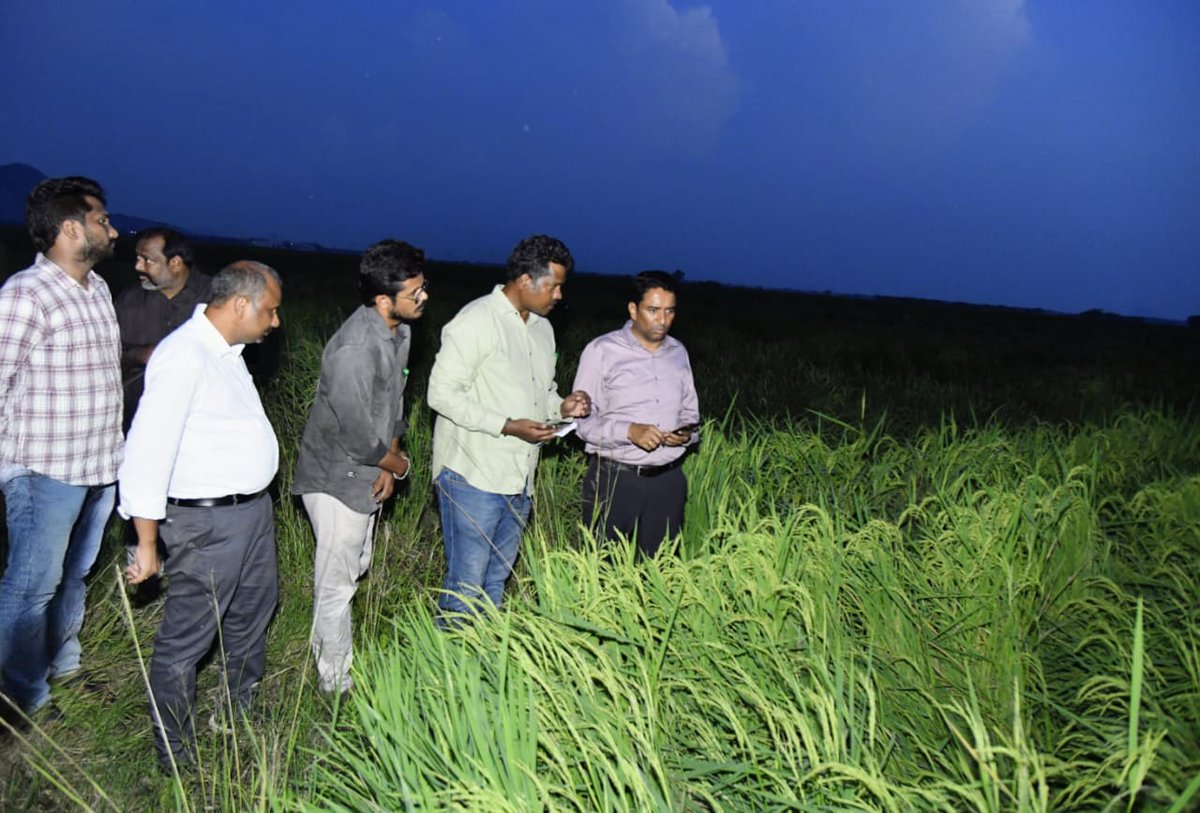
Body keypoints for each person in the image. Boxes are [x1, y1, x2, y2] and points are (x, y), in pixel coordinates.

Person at [120, 261, 282, 772]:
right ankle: (175, 753)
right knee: (187, 639)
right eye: (271, 311)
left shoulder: (226, 353)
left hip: (251, 514)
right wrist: (146, 542)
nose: (276, 321)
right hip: (207, 525)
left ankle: (236, 714)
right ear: (241, 305)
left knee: (252, 613)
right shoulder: (184, 355)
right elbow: (147, 450)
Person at [0, 177, 122, 720]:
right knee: (31, 588)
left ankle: (64, 666)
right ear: (71, 229)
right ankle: (23, 695)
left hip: (98, 465)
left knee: (73, 577)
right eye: (102, 221)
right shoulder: (25, 294)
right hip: (43, 470)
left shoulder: (98, 289)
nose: (112, 231)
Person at [427, 234, 591, 621]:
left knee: (495, 584)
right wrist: (507, 426)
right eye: (553, 286)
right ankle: (450, 655)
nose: (559, 295)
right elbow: (441, 394)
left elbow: (541, 394)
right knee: (466, 588)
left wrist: (562, 407)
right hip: (473, 475)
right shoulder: (476, 321)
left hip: (520, 479)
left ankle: (485, 655)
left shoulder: (542, 329)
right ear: (524, 280)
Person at [291, 239, 429, 694]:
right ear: (384, 300)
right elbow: (355, 438)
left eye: (423, 287)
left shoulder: (400, 332)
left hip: (369, 466)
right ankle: (334, 681)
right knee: (337, 581)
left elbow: (393, 406)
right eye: (414, 292)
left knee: (356, 563)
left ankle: (330, 655)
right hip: (335, 475)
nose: (424, 297)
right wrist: (399, 465)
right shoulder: (354, 349)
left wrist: (388, 463)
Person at [572, 271, 699, 558]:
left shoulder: (678, 352)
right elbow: (582, 423)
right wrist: (629, 431)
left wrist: (686, 435)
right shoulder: (602, 351)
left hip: (668, 481)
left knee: (661, 569)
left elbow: (691, 413)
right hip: (614, 478)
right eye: (653, 310)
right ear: (633, 309)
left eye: (669, 311)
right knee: (602, 565)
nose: (662, 319)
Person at [114, 227, 212, 430]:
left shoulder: (214, 299)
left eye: (147, 260)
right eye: (137, 258)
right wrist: (139, 355)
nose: (138, 266)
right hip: (138, 419)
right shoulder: (128, 301)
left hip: (200, 419)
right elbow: (107, 355)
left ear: (175, 263)